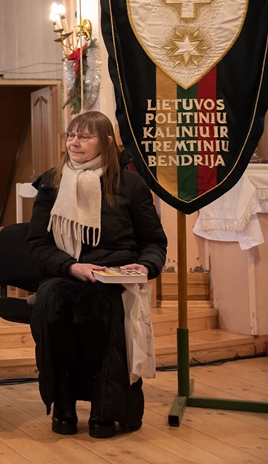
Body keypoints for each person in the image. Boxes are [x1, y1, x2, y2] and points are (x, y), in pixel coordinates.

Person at [27, 111, 166, 438]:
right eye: (70, 135)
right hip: (66, 271)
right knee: (51, 304)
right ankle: (63, 404)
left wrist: (144, 266)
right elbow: (37, 243)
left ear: (104, 142)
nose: (73, 142)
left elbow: (153, 241)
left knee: (102, 310)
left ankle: (107, 408)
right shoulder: (52, 182)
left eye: (83, 136)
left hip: (114, 278)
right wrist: (71, 266)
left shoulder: (130, 184)